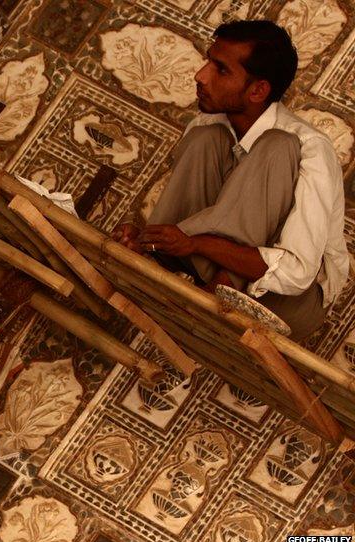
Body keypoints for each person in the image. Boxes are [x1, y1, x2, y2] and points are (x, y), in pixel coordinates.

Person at [113, 20, 347, 340]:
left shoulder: (308, 147)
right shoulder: (208, 125)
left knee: (277, 146)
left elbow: (296, 274)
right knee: (206, 136)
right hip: (217, 271)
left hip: (288, 303)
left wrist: (196, 243)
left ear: (258, 90)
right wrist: (162, 241)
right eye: (208, 61)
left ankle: (219, 286)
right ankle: (153, 251)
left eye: (221, 70)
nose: (201, 76)